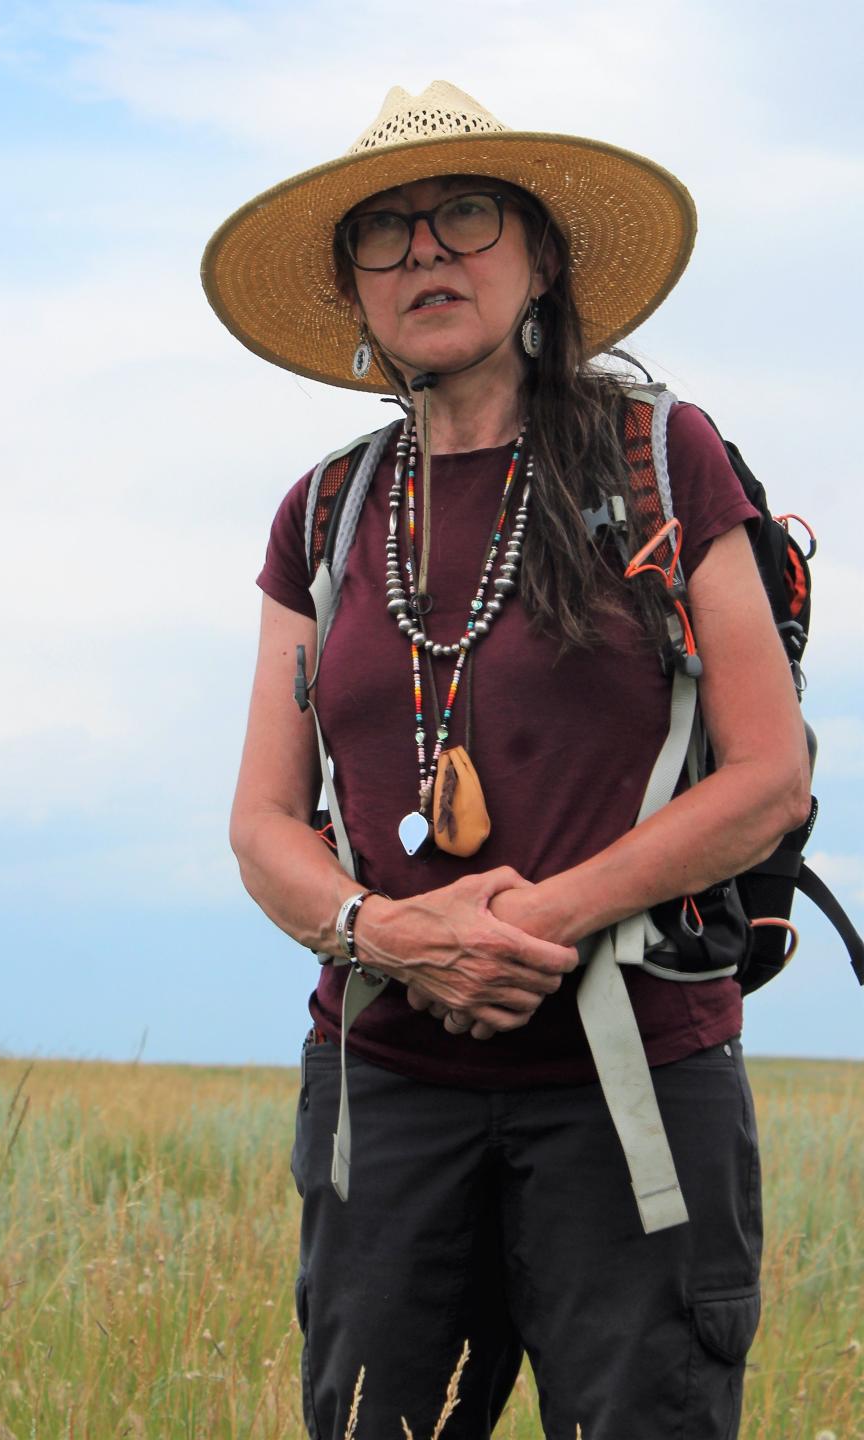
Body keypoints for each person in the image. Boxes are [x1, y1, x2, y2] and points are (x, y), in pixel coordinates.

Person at [202, 82, 810, 1439]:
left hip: (635, 1084)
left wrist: (537, 919)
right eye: (387, 232)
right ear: (355, 297)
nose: (427, 253)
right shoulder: (323, 515)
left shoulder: (662, 458)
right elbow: (261, 821)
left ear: (540, 258)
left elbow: (770, 774)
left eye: (466, 215)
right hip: (388, 1096)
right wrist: (389, 933)